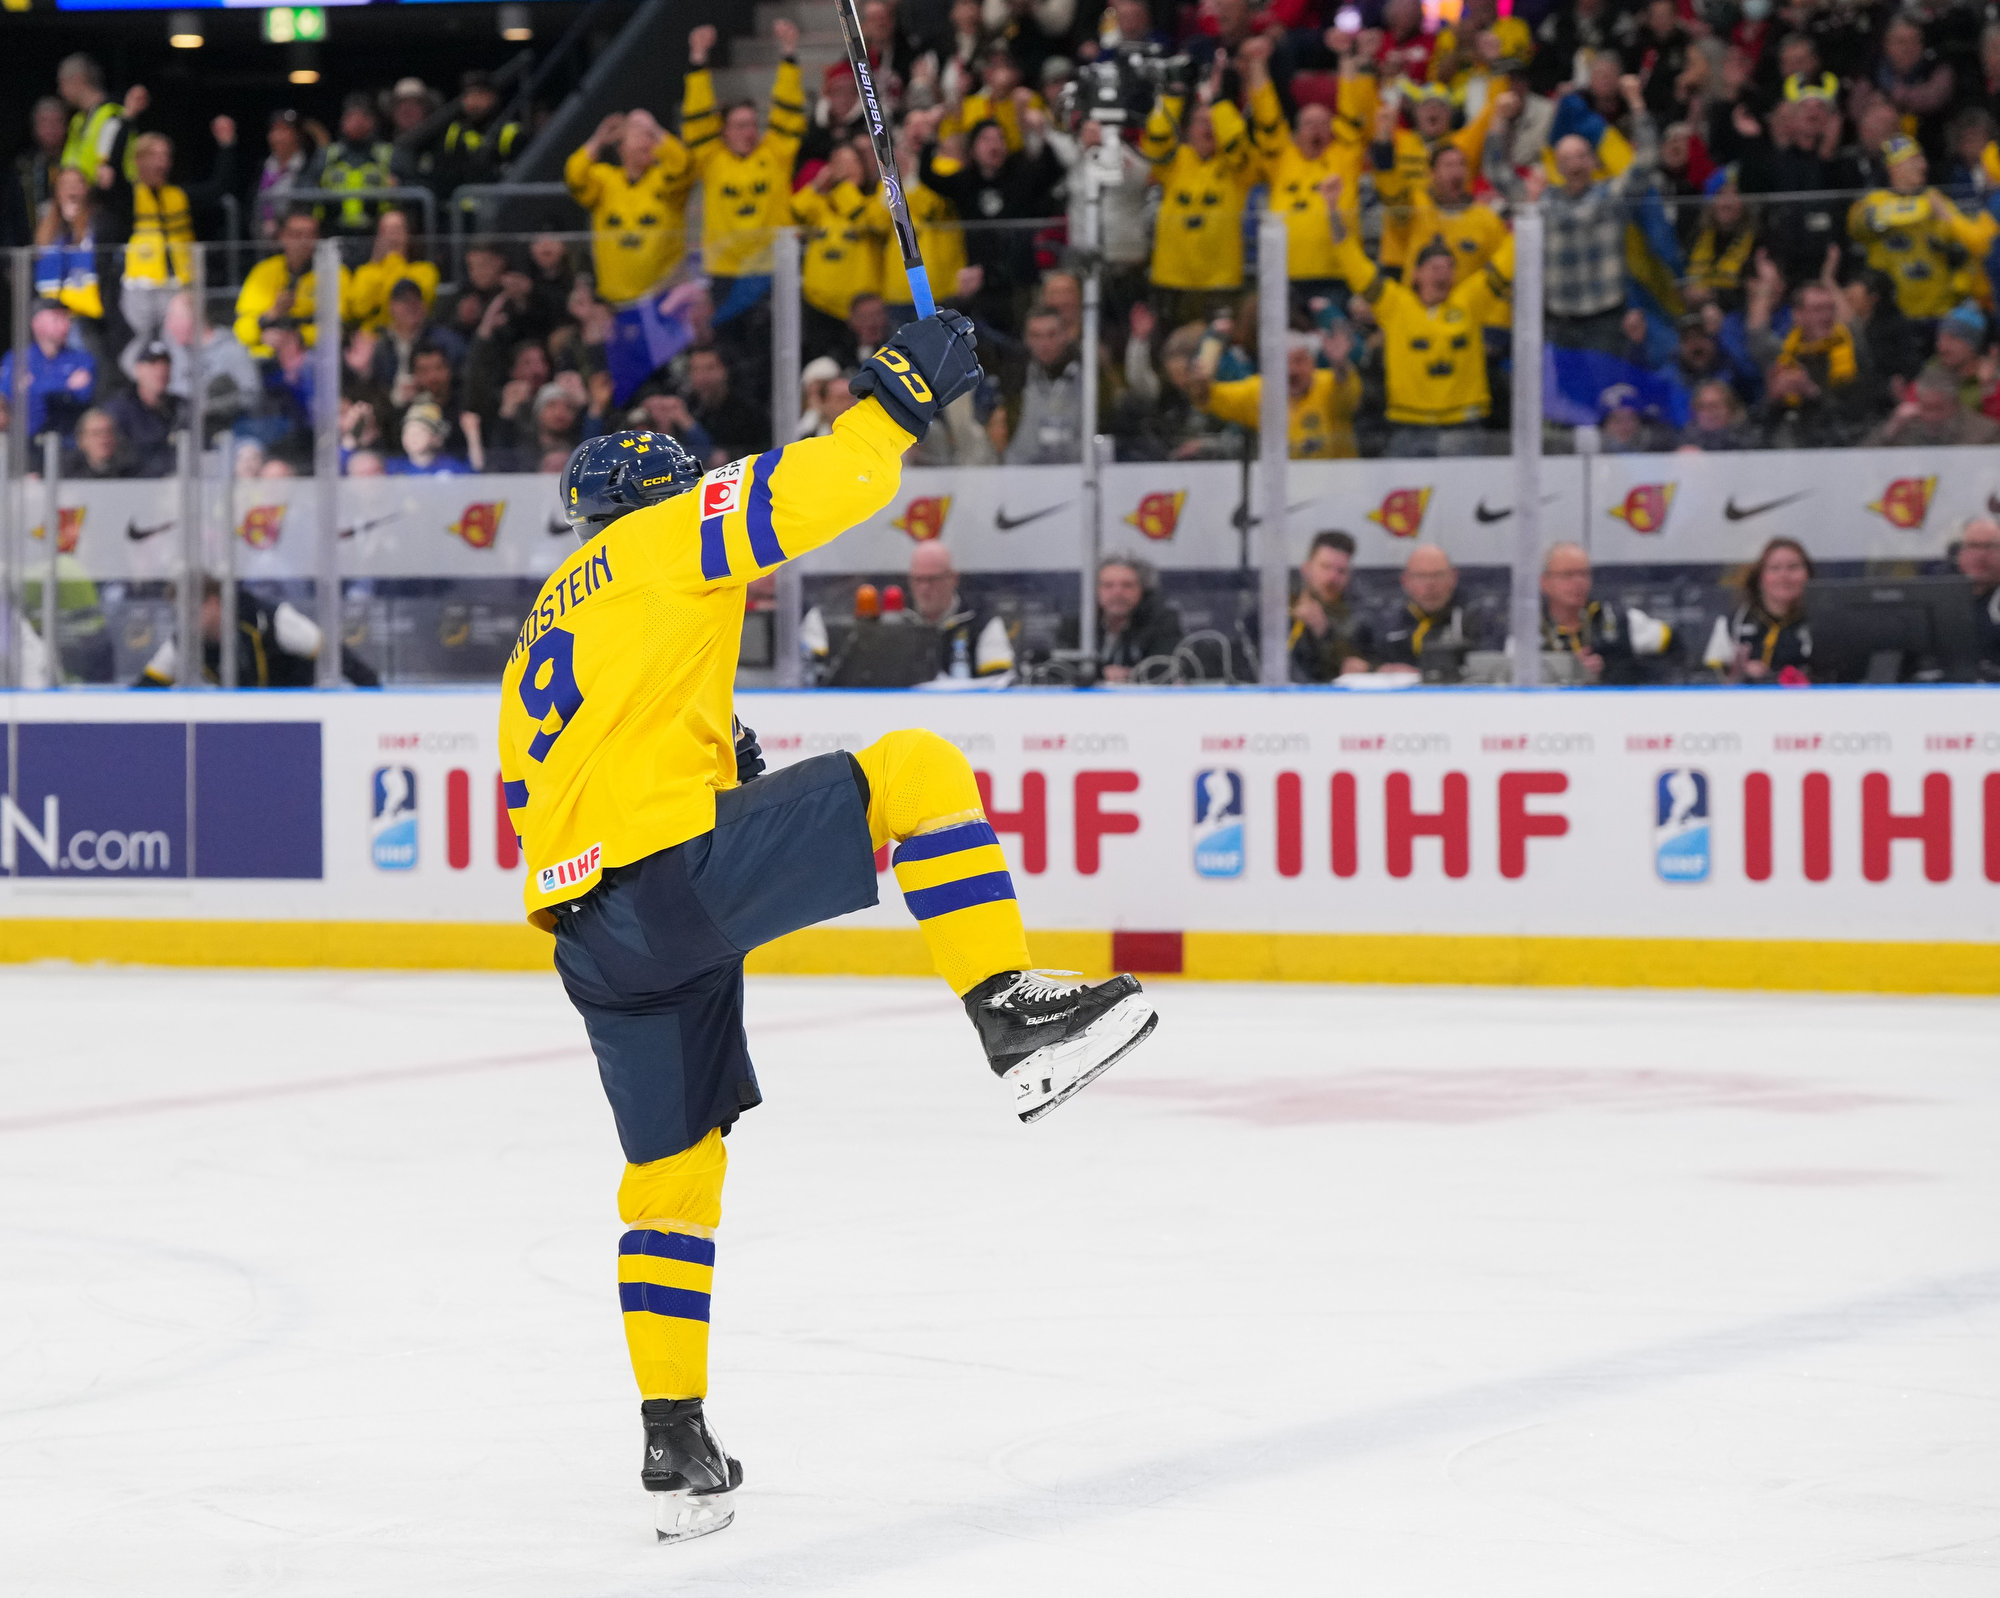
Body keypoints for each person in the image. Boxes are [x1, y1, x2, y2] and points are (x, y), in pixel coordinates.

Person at [496, 310, 1157, 1542]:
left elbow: (555, 789)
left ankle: (673, 1435)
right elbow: (816, 489)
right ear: (660, 498)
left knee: (670, 1177)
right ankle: (1007, 1008)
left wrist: (712, 765)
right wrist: (898, 396)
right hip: (671, 878)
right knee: (913, 767)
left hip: (594, 939)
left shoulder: (550, 618)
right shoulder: (666, 537)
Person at [1322, 174, 1513, 456]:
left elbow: (1507, 261)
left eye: (1449, 267)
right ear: (1417, 274)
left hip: (1462, 426)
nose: (1443, 273)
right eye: (1435, 267)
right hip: (1409, 427)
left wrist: (1530, 211)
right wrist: (1331, 209)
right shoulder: (1395, 304)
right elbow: (1352, 262)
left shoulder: (1470, 300)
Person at [1485, 74, 1654, 354]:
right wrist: (1499, 118)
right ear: (1558, 166)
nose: (1575, 164)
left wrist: (1636, 102)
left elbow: (1646, 160)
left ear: (1593, 160)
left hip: (1605, 317)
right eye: (1567, 158)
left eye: (1581, 156)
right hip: (1559, 320)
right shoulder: (1541, 201)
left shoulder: (1612, 196)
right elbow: (1496, 172)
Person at [681, 22, 807, 298]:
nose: (748, 132)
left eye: (752, 124)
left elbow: (787, 112)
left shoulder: (776, 153)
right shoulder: (711, 158)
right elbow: (698, 120)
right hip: (725, 271)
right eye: (739, 126)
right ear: (724, 130)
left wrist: (789, 54)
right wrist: (698, 60)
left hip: (773, 268)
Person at [109, 120, 237, 364]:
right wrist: (127, 121)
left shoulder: (179, 195)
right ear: (139, 160)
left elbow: (219, 187)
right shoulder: (127, 197)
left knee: (182, 345)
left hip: (179, 284)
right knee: (140, 346)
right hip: (141, 286)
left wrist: (226, 146)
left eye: (166, 156)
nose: (162, 162)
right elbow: (113, 168)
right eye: (154, 156)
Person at [1139, 57, 1254, 327]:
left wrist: (1218, 102)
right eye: (1201, 122)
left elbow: (1236, 142)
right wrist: (1173, 96)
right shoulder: (1174, 161)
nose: (1209, 127)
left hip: (1221, 281)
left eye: (1214, 122)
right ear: (1188, 129)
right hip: (1172, 279)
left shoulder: (1238, 168)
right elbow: (1155, 142)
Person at [1847, 137, 1997, 328]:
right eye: (1914, 160)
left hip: (1942, 313)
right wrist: (1926, 207)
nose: (1923, 166)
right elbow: (1859, 225)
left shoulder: (1936, 199)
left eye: (1922, 159)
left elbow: (1968, 240)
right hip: (1893, 314)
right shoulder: (1873, 201)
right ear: (1894, 167)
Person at [138, 577, 380, 687]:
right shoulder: (183, 642)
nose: (185, 622)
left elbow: (335, 654)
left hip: (298, 716)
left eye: (191, 611)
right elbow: (148, 688)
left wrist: (373, 699)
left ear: (213, 602)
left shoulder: (269, 619)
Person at [565, 108, 696, 306]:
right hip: (615, 300)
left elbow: (682, 164)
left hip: (663, 297)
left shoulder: (664, 181)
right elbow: (574, 175)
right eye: (638, 135)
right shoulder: (604, 181)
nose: (646, 142)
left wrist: (655, 129)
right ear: (621, 148)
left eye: (649, 137)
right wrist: (598, 140)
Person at [1190, 321, 1363, 460]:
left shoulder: (1328, 383)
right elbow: (1207, 398)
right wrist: (1200, 382)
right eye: (1282, 363)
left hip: (1335, 483)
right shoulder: (1259, 391)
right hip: (1280, 485)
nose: (1291, 370)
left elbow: (1347, 393)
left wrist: (1340, 365)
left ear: (1312, 363)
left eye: (1299, 360)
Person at [1536, 543, 1672, 685]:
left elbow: (1675, 647)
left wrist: (1611, 671)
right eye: (1568, 575)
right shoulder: (1529, 632)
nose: (1578, 582)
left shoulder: (1619, 620)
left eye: (1583, 574)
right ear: (1544, 582)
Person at [235, 207, 350, 359]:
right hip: (267, 356)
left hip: (313, 355)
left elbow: (338, 327)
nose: (304, 241)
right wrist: (272, 315)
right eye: (296, 235)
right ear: (282, 237)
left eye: (310, 235)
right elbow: (242, 327)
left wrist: (298, 338)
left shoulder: (335, 274)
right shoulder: (264, 271)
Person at [907, 539, 1015, 677]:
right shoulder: (899, 617)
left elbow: (999, 679)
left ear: (953, 579)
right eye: (918, 579)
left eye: (932, 579)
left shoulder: (981, 619)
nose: (924, 588)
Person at [1377, 543, 1480, 676]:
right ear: (1405, 581)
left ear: (1453, 577)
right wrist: (1375, 667)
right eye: (1421, 576)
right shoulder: (1385, 624)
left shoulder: (1476, 619)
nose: (1430, 584)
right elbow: (1364, 661)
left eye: (1438, 575)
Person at [0, 297, 94, 438]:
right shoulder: (16, 359)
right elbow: (6, 395)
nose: (66, 324)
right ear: (36, 323)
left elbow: (83, 396)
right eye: (57, 319)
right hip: (23, 442)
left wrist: (31, 386)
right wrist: (66, 385)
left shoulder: (82, 359)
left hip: (68, 440)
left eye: (66, 318)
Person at [1288, 530, 1374, 681]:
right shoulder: (1275, 610)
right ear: (1306, 568)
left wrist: (1324, 632)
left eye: (1341, 571)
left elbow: (1358, 665)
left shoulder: (1359, 621)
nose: (1332, 577)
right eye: (1325, 567)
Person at [317, 92, 398, 244]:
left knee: (394, 221)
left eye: (363, 116)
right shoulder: (327, 155)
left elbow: (412, 187)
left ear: (372, 121)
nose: (357, 121)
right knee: (302, 222)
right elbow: (305, 185)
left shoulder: (387, 154)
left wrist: (397, 187)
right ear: (343, 121)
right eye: (351, 116)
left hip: (375, 233)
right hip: (332, 232)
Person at [347, 210, 440, 333]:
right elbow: (359, 309)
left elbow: (411, 299)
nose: (392, 236)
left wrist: (392, 260)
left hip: (413, 336)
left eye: (397, 229)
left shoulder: (425, 270)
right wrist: (376, 263)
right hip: (375, 337)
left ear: (408, 234)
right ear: (378, 238)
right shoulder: (365, 271)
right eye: (385, 230)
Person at [1867, 362, 2000, 447]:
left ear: (1955, 405)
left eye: (1939, 408)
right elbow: (1862, 462)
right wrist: (1890, 430)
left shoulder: (1985, 434)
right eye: (1927, 408)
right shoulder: (1906, 430)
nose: (1933, 417)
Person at [103, 340, 183, 477]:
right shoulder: (120, 409)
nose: (160, 370)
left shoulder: (182, 407)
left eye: (165, 364)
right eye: (153, 364)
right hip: (132, 483)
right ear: (138, 369)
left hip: (174, 482)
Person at [1954, 515, 2000, 679]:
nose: (1981, 555)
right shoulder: (1939, 594)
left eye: (1990, 547)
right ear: (1960, 553)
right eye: (1973, 546)